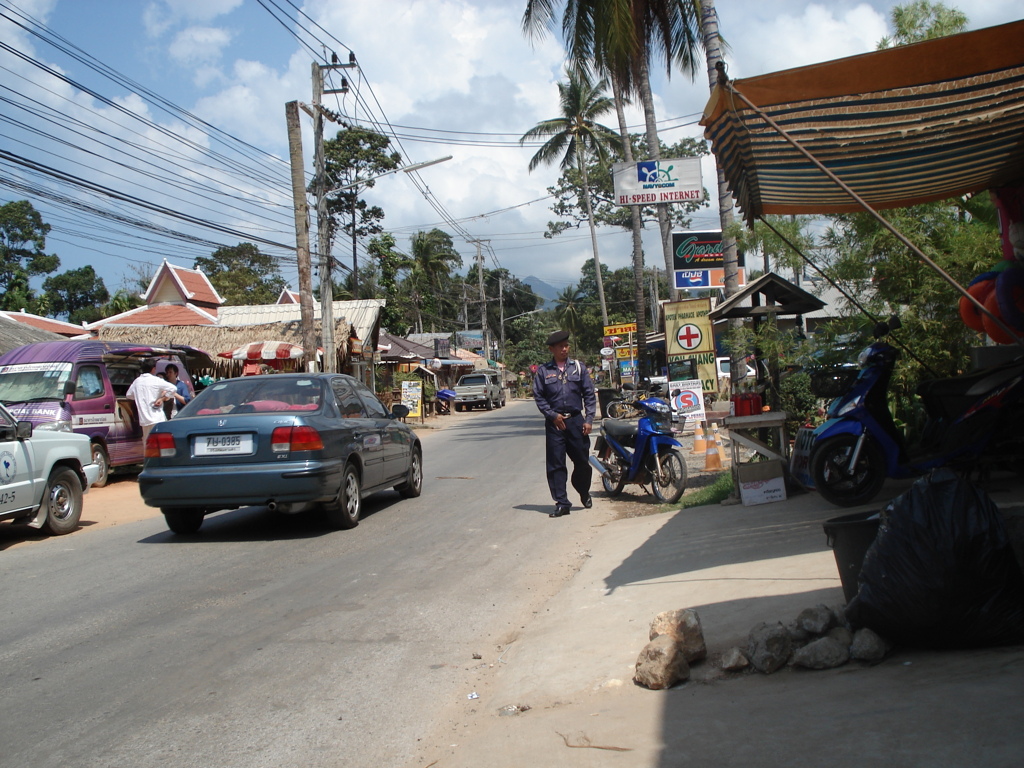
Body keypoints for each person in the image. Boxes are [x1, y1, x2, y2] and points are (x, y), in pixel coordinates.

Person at [532, 329, 597, 518]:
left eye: (566, 345)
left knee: (582, 462)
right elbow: (539, 396)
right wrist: (552, 415)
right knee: (556, 464)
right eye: (560, 346)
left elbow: (589, 395)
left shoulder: (578, 368)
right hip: (555, 424)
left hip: (576, 421)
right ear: (552, 349)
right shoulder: (544, 371)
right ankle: (562, 503)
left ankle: (584, 491)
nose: (565, 349)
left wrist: (589, 419)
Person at [126, 358, 178, 441]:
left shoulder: (137, 382)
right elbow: (173, 388)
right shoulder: (156, 380)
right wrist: (162, 398)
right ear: (153, 369)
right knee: (161, 444)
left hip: (144, 420)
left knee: (148, 445)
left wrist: (139, 397)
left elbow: (129, 395)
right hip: (158, 419)